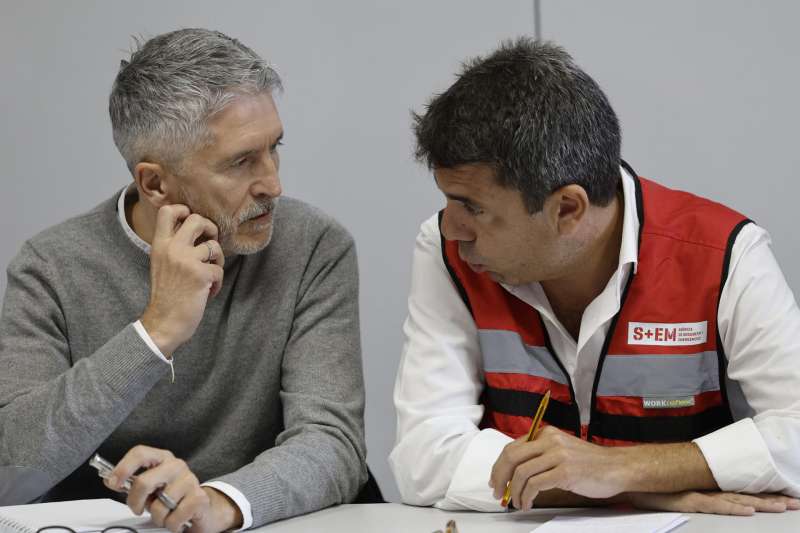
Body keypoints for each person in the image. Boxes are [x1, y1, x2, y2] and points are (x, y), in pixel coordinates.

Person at [389, 38, 800, 516]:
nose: (452, 227)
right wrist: (628, 489)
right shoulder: (449, 251)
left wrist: (620, 469)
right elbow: (422, 458)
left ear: (567, 208)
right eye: (448, 199)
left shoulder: (722, 252)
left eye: (472, 207)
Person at [0, 28, 368, 532]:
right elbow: (10, 470)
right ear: (155, 183)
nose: (274, 184)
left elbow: (333, 442)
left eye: (273, 148)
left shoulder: (313, 247)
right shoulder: (52, 267)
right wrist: (156, 332)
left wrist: (220, 501)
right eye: (241, 162)